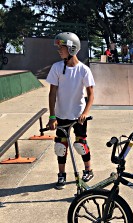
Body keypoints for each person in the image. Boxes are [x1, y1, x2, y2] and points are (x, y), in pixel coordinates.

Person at [46, 32, 96, 189]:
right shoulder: (56, 67)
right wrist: (52, 116)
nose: (59, 50)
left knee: (81, 144)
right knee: (60, 147)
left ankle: (88, 169)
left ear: (72, 49)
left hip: (78, 115)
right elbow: (52, 93)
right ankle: (61, 174)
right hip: (61, 115)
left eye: (62, 48)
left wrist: (85, 113)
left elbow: (91, 94)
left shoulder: (84, 70)